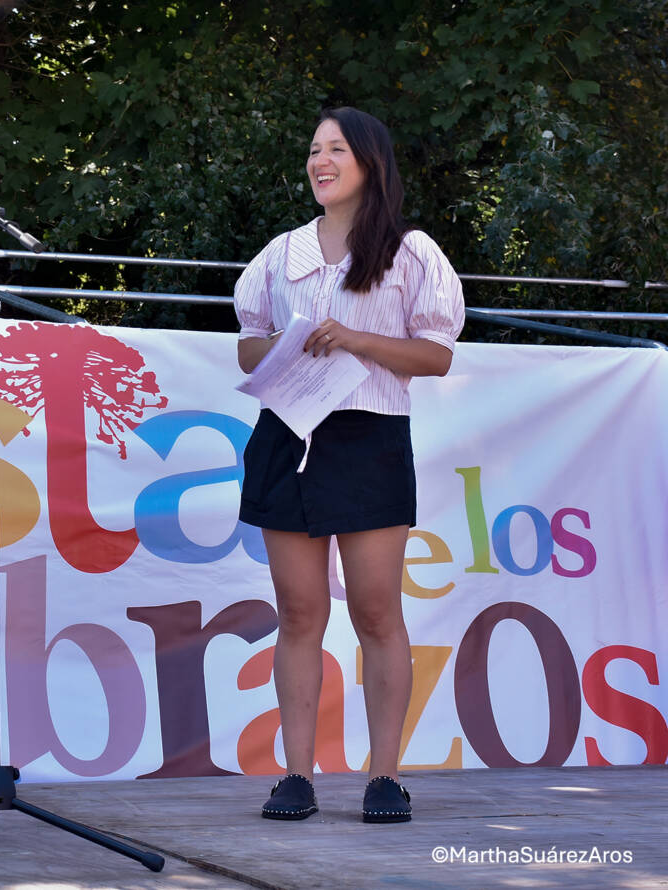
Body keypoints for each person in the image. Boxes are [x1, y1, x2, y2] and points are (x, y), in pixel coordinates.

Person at [234, 107, 465, 823]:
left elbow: (436, 354)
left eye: (336, 148)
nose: (320, 161)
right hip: (289, 434)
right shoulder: (282, 253)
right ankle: (295, 776)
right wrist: (288, 343)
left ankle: (385, 777)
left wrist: (357, 339)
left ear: (370, 161)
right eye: (313, 149)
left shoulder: (411, 252)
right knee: (299, 611)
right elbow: (247, 343)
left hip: (370, 438)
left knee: (375, 609)